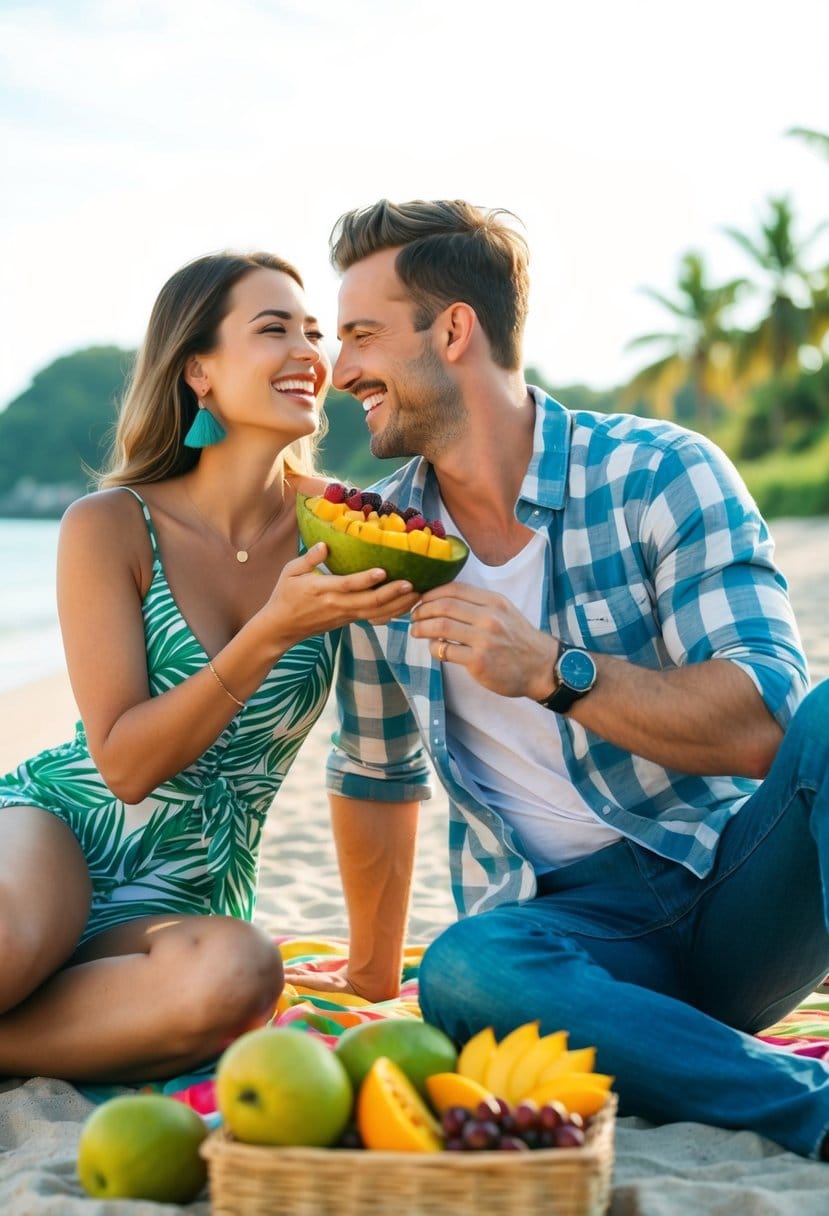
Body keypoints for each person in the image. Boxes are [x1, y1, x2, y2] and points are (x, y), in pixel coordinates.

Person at [285, 198, 829, 1160]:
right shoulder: (372, 543)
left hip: (736, 882)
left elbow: (766, 722)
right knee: (467, 971)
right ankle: (806, 1106)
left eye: (364, 335)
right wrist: (371, 971)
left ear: (454, 330)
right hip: (566, 938)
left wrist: (553, 672)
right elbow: (375, 769)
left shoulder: (661, 473)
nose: (344, 370)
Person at [0, 250, 418, 1084]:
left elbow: (379, 753)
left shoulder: (346, 530)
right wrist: (269, 630)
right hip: (57, 833)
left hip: (187, 896)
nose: (309, 352)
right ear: (198, 370)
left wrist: (373, 967)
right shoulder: (110, 524)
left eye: (313, 332)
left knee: (238, 977)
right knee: (11, 943)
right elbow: (122, 764)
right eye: (274, 330)